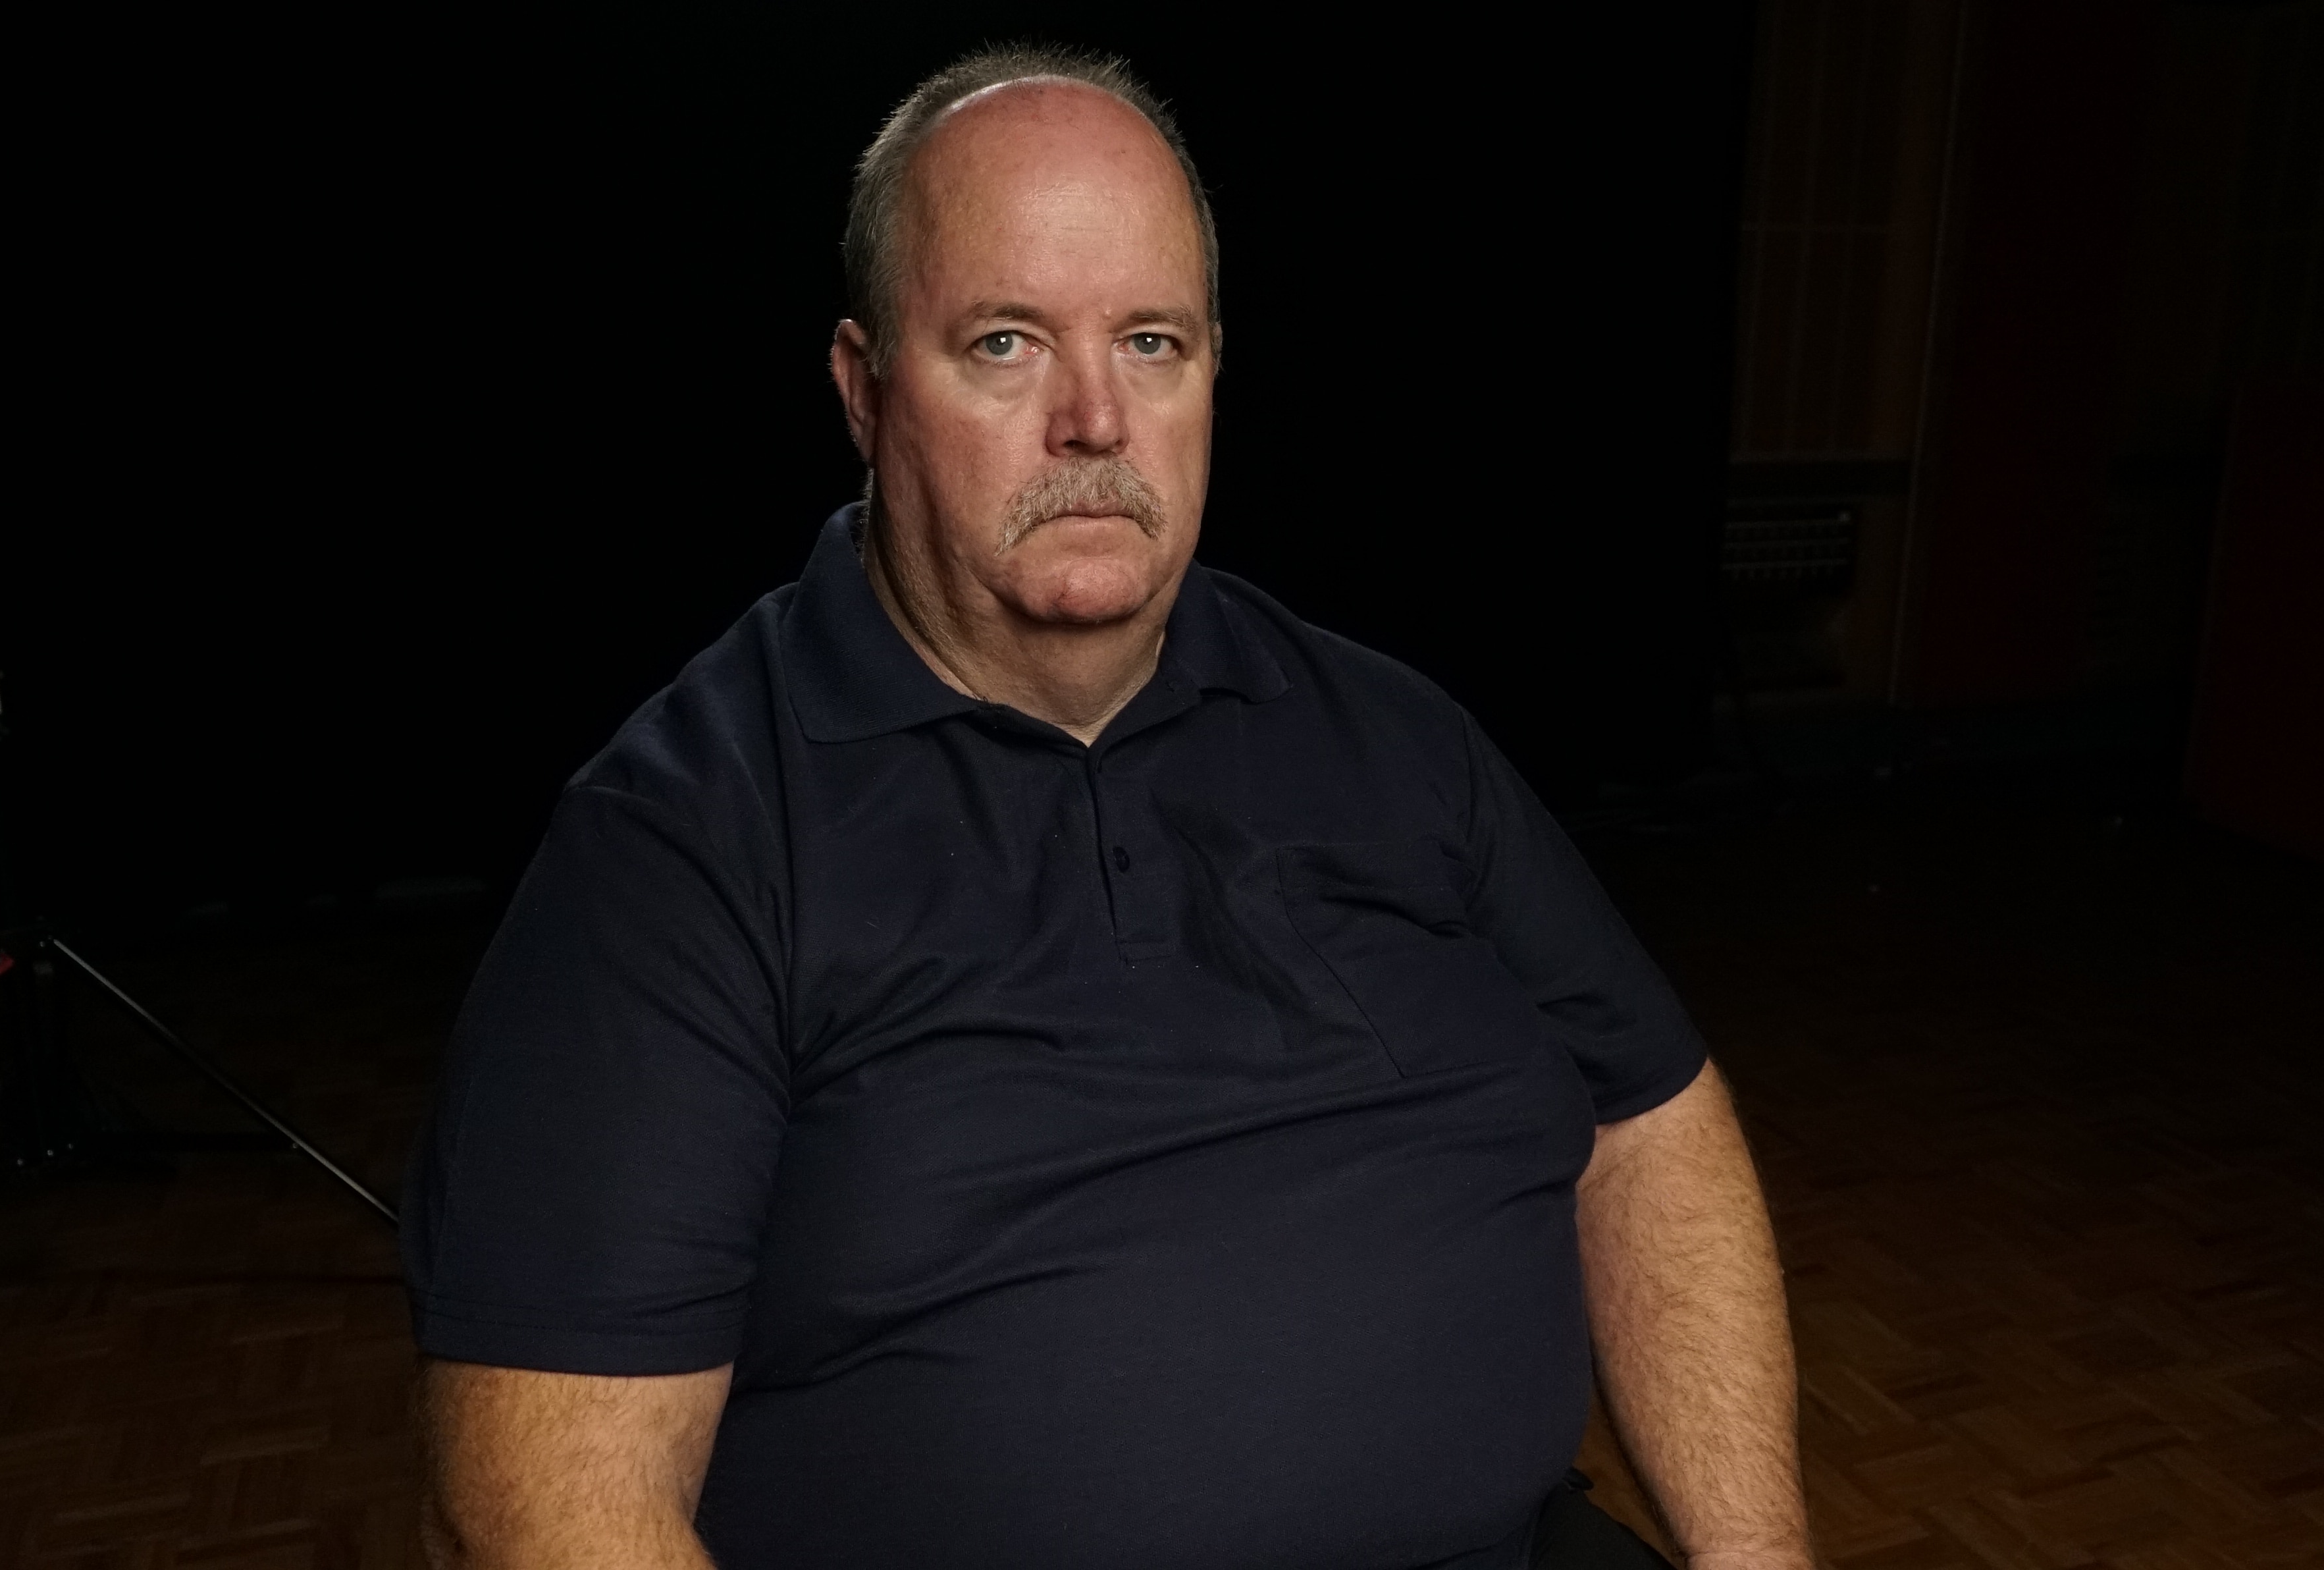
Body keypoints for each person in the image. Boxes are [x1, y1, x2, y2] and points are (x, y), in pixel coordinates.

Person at [404, 45, 1813, 1570]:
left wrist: (1754, 1557)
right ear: (864, 390)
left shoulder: (1392, 736)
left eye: (1150, 341)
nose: (1095, 418)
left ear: (1214, 370)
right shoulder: (680, 844)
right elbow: (553, 1505)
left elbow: (1652, 1123)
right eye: (1005, 341)